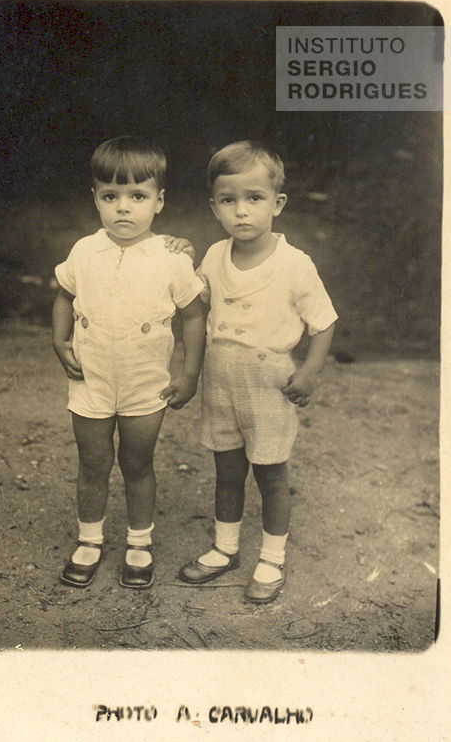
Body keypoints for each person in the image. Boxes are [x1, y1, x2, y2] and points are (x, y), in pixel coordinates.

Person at [179, 140, 337, 604]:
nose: (241, 212)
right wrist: (176, 255)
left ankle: (271, 557)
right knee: (227, 471)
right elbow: (193, 300)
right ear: (214, 207)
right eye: (229, 201)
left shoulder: (294, 264)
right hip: (221, 379)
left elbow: (324, 321)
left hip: (269, 385)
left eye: (254, 199)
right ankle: (225, 548)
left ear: (277, 203)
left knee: (270, 474)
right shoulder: (212, 256)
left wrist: (309, 371)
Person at [52, 136, 205, 589]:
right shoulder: (84, 250)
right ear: (95, 199)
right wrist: (59, 341)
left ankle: (139, 542)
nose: (123, 208)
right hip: (92, 380)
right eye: (111, 196)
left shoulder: (171, 258)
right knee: (93, 462)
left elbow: (194, 314)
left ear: (159, 202)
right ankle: (90, 539)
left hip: (144, 383)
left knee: (138, 464)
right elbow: (64, 295)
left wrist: (189, 373)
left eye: (137, 196)